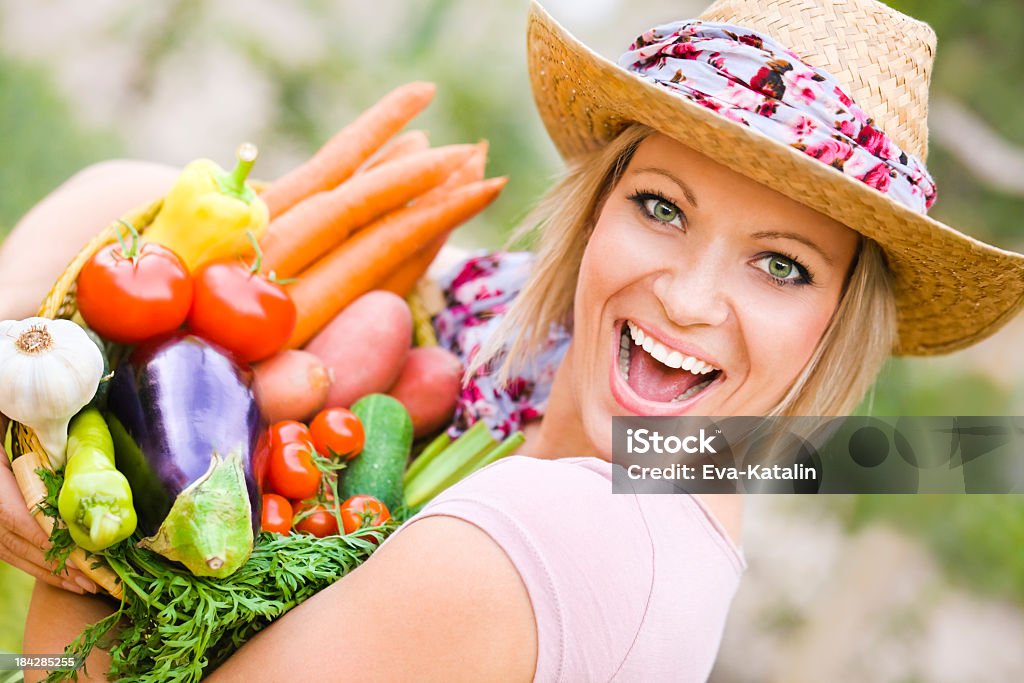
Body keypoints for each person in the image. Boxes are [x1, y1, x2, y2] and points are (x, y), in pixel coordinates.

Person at [4, 0, 1024, 680]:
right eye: (663, 207)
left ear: (837, 320)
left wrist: (69, 498)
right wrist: (18, 362)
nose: (690, 296)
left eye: (782, 264)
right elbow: (122, 194)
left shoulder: (563, 530)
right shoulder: (552, 380)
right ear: (597, 207)